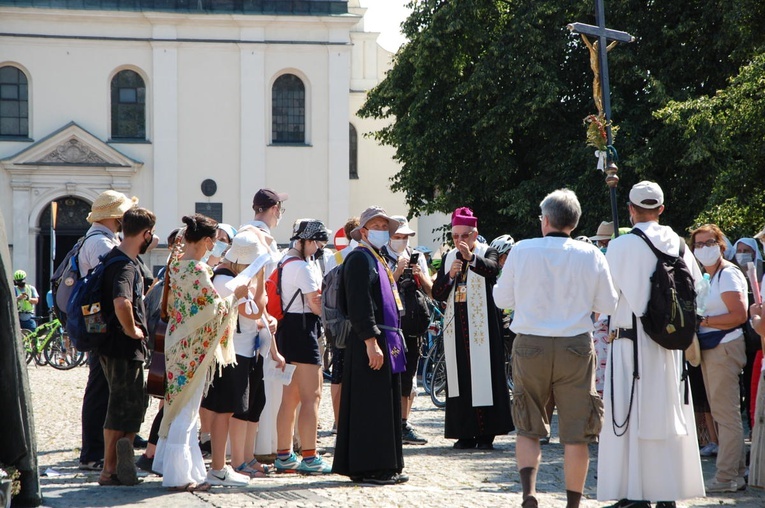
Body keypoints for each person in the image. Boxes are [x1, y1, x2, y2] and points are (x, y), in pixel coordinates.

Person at [493, 189, 616, 508]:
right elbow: (607, 303)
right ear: (573, 224)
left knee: (529, 425)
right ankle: (572, 504)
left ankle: (529, 492)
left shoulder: (521, 250)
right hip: (575, 345)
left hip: (530, 342)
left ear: (545, 220)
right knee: (577, 433)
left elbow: (502, 300)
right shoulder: (591, 254)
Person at [597, 181, 705, 507]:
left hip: (630, 344)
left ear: (630, 209)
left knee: (630, 417)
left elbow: (604, 300)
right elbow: (701, 293)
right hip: (670, 345)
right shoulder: (681, 246)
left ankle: (635, 491)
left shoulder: (621, 246)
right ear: (661, 209)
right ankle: (665, 491)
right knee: (666, 417)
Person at [153, 214, 248, 491]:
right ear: (207, 240)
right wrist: (236, 295)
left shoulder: (176, 265)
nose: (214, 247)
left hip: (178, 342)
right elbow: (213, 310)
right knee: (185, 410)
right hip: (191, 347)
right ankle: (179, 477)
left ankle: (186, 471)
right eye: (214, 241)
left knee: (180, 406)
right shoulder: (197, 270)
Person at [332, 206, 408, 485]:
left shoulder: (376, 258)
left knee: (381, 404)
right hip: (370, 340)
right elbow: (359, 304)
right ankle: (370, 465)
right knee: (370, 406)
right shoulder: (359, 259)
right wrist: (370, 342)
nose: (380, 230)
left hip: (382, 338)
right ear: (363, 231)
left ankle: (384, 464)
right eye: (375, 225)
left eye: (383, 226)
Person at [202, 228, 284, 480]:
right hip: (232, 353)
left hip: (245, 350)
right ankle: (226, 465)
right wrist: (258, 280)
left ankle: (236, 461)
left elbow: (257, 313)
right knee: (227, 410)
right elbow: (254, 310)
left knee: (243, 408)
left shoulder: (235, 277)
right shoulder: (224, 280)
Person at [431, 207, 513, 450]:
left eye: (464, 236)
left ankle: (486, 434)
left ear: (474, 234)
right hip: (457, 327)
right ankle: (464, 432)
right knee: (461, 380)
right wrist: (448, 277)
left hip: (484, 328)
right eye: (455, 236)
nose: (459, 241)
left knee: (485, 378)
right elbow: (437, 293)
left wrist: (470, 259)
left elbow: (492, 269)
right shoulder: (448, 257)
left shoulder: (488, 251)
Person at [78, 190, 138, 472]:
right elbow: (114, 280)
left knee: (103, 384)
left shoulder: (98, 238)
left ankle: (103, 448)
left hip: (99, 319)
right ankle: (93, 453)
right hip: (102, 322)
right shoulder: (102, 243)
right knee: (101, 386)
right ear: (116, 217)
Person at [96, 206, 155, 487]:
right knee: (121, 406)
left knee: (130, 405)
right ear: (145, 234)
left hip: (113, 344)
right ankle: (110, 469)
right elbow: (122, 302)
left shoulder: (114, 258)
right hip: (122, 346)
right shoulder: (125, 265)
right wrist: (133, 330)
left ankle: (120, 464)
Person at [691, 224, 748, 493]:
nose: (704, 248)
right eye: (698, 244)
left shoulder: (728, 274)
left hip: (724, 348)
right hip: (714, 348)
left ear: (720, 244)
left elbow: (739, 315)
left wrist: (705, 321)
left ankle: (726, 477)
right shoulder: (709, 277)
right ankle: (735, 474)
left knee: (726, 416)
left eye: (709, 242)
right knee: (722, 413)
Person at [273, 219, 333, 474]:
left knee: (290, 399)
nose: (320, 247)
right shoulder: (303, 267)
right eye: (318, 241)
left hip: (287, 330)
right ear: (305, 240)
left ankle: (284, 455)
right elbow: (315, 304)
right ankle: (310, 456)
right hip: (303, 330)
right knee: (312, 397)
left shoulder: (285, 260)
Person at [382, 215, 433, 446]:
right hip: (389, 326)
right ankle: (386, 422)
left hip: (411, 326)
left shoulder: (417, 257)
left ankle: (403, 423)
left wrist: (418, 274)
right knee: (387, 375)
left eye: (405, 237)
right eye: (397, 236)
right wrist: (397, 273)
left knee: (408, 376)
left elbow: (432, 291)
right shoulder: (380, 255)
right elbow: (380, 291)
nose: (402, 241)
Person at [248, 188, 288, 457]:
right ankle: (260, 449)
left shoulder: (251, 234)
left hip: (260, 317)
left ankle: (260, 447)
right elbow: (257, 287)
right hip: (261, 319)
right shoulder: (260, 238)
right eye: (280, 209)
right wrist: (265, 318)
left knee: (262, 388)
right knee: (263, 389)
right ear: (274, 209)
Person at [323, 217, 360, 430]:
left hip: (337, 322)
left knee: (338, 373)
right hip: (355, 321)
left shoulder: (335, 257)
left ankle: (338, 421)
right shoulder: (363, 256)